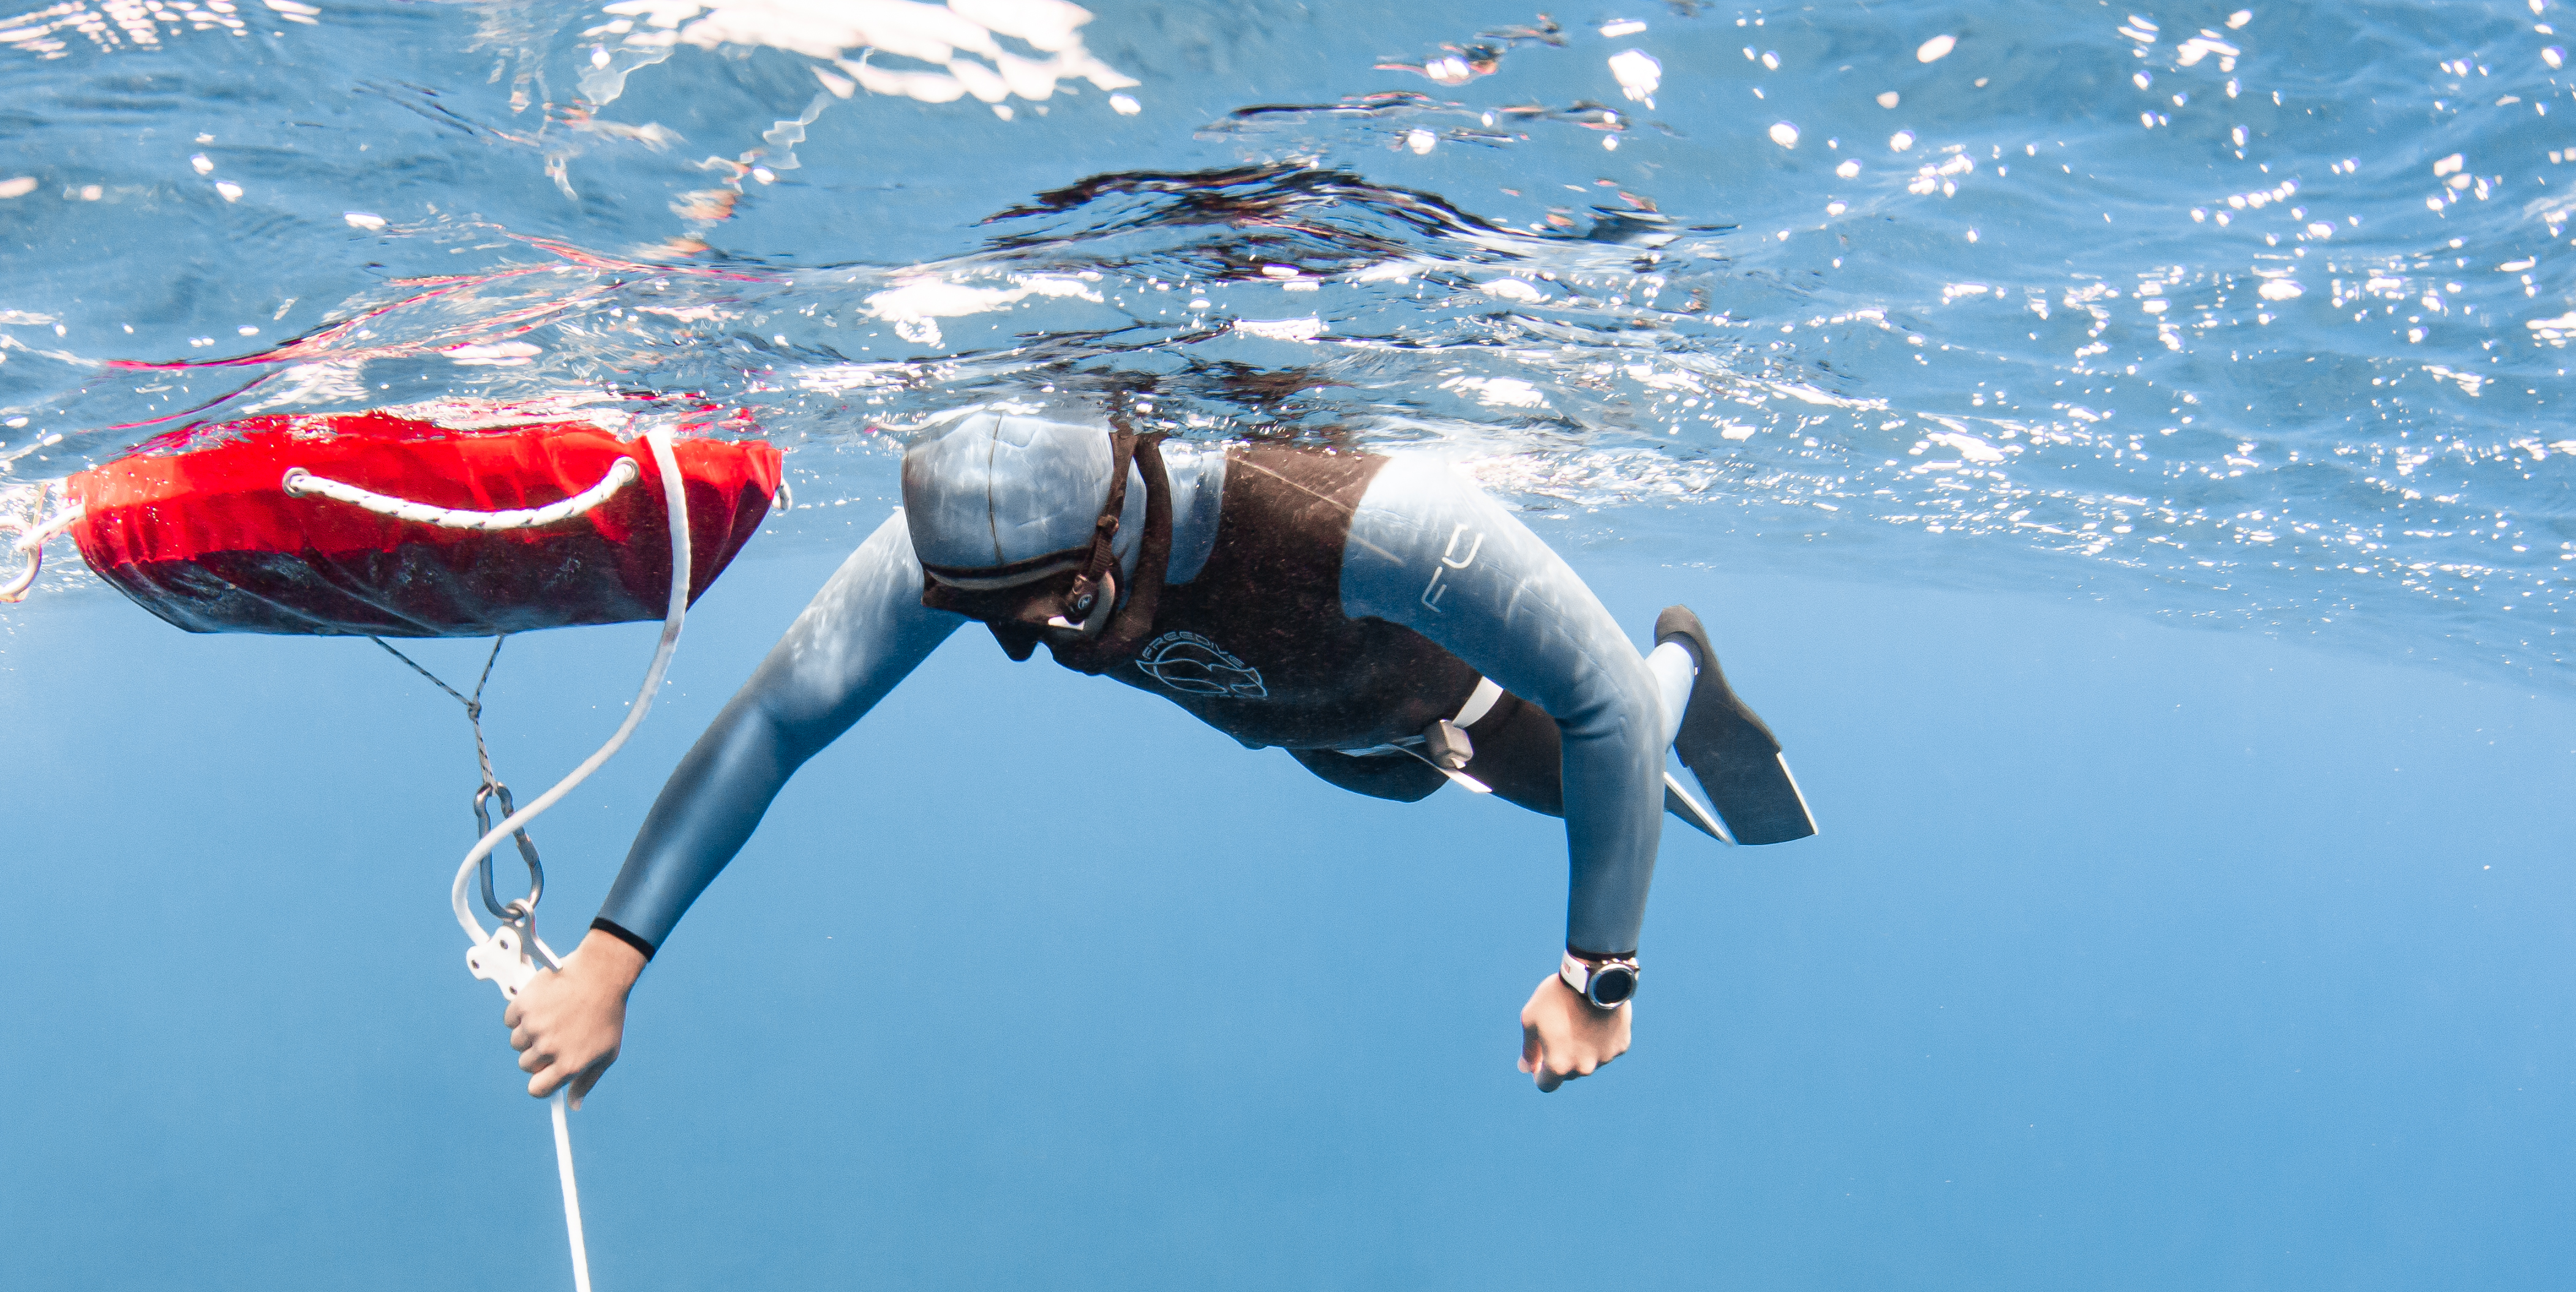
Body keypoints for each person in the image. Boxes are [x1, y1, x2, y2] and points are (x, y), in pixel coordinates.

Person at [505, 411, 1813, 1100]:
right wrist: (611, 964)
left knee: (1615, 753)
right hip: (1329, 734)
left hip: (1451, 702)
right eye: (986, 630)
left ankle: (1684, 659)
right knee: (1448, 772)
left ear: (1120, 514)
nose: (1037, 651)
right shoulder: (972, 541)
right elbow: (779, 718)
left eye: (1062, 617)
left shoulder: (1355, 517)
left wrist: (1599, 978)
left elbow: (1590, 703)